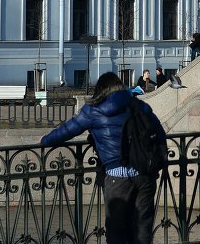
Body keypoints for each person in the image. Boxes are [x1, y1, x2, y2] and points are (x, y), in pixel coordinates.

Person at [41, 72, 161, 244]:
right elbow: (159, 133)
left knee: (116, 230)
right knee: (142, 228)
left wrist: (45, 140)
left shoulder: (93, 110)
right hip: (145, 173)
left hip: (117, 176)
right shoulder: (137, 104)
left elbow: (68, 130)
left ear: (100, 90)